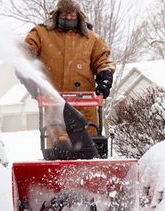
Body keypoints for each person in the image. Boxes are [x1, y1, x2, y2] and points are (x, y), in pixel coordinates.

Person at [18, 0, 116, 159]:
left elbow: (103, 60)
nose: (68, 16)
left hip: (86, 108)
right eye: (64, 13)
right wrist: (26, 74)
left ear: (79, 15)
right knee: (58, 150)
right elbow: (24, 53)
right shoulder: (41, 34)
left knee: (90, 152)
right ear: (57, 14)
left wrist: (105, 76)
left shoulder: (92, 39)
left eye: (72, 13)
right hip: (54, 106)